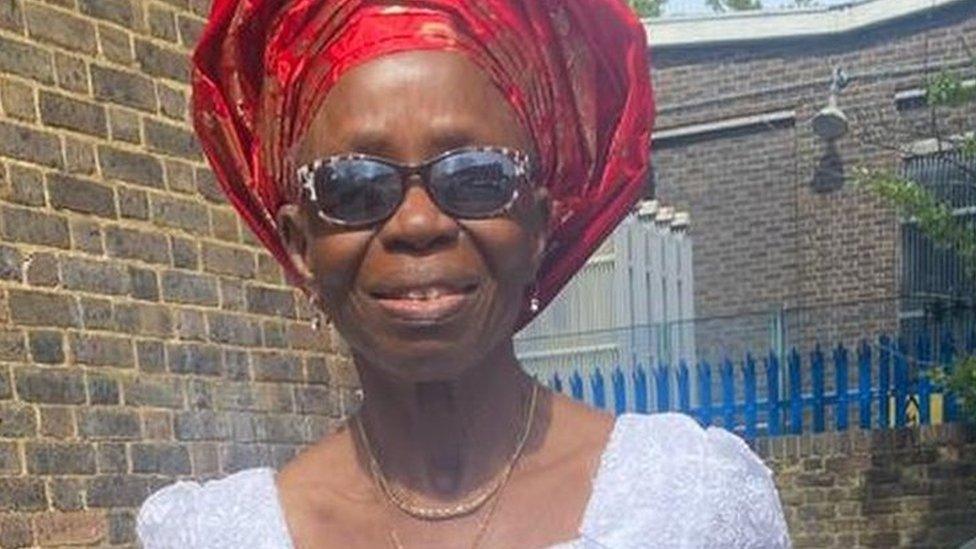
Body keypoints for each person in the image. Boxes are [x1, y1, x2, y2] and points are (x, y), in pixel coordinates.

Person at [137, 1, 791, 547]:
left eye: (476, 177)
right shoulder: (221, 535)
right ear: (301, 243)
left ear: (537, 226)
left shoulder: (688, 508)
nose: (417, 223)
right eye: (355, 186)